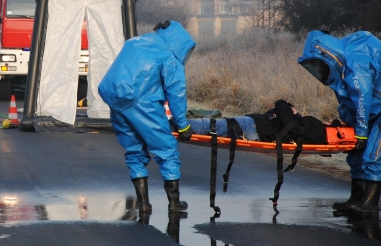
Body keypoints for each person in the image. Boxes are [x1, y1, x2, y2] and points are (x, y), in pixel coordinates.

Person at [98, 20, 195, 214]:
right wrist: (182, 125)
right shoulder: (169, 56)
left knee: (134, 151)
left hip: (116, 100)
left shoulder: (135, 42)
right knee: (166, 149)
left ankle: (143, 204)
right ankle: (174, 203)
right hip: (142, 103)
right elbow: (176, 92)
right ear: (180, 43)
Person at [299, 30, 381, 215]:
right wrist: (348, 130)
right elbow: (347, 102)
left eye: (318, 66)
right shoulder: (341, 67)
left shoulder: (355, 60)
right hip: (374, 108)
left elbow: (362, 97)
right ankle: (356, 199)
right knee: (355, 153)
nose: (318, 72)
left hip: (377, 110)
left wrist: (360, 131)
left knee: (373, 154)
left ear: (326, 53)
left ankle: (370, 204)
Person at [182, 99, 328, 144]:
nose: (328, 120)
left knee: (208, 125)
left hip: (254, 127)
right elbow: (284, 122)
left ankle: (170, 125)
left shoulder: (317, 128)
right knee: (210, 126)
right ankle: (172, 124)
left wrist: (287, 105)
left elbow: (288, 121)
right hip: (259, 128)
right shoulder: (315, 133)